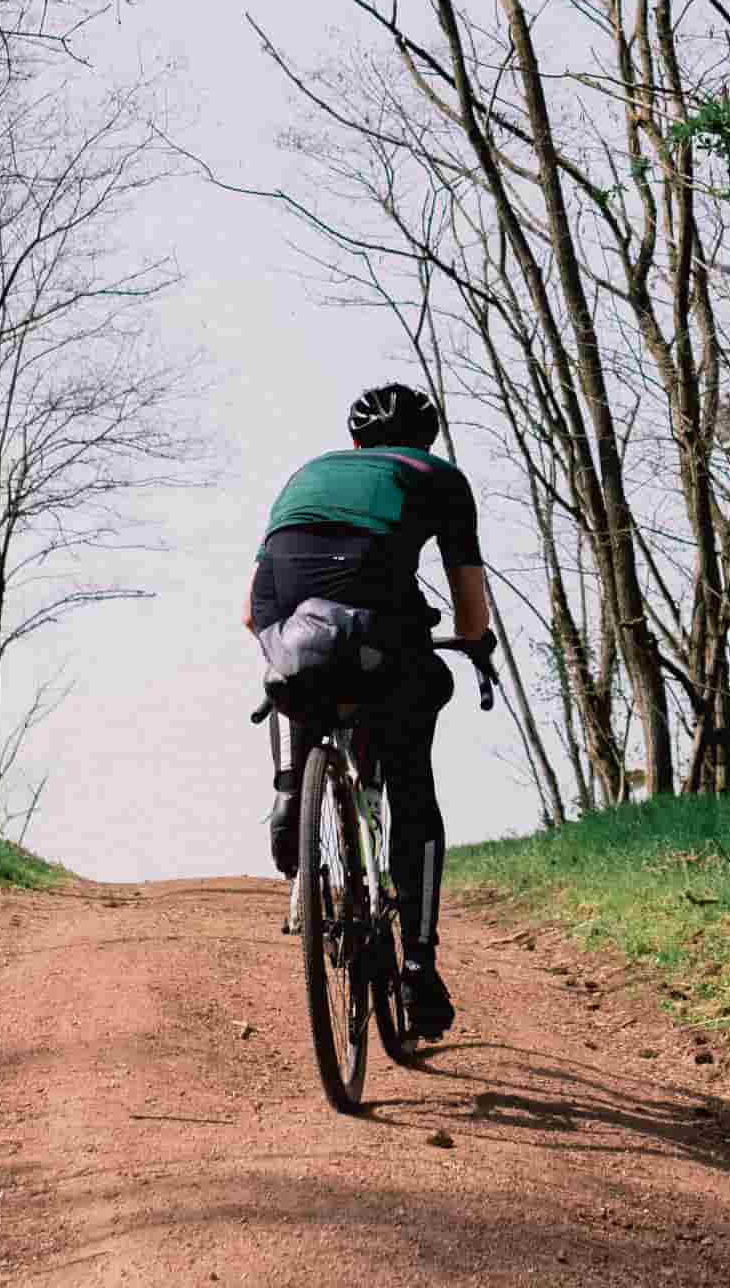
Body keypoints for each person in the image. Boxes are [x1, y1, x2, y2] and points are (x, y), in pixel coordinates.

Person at [244, 381, 495, 1041]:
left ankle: (291, 785)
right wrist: (474, 642)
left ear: (353, 443)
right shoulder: (437, 476)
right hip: (382, 636)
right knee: (413, 781)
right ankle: (416, 960)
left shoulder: (309, 474)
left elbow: (251, 611)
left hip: (291, 632)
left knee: (307, 670)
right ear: (426, 442)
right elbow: (471, 609)